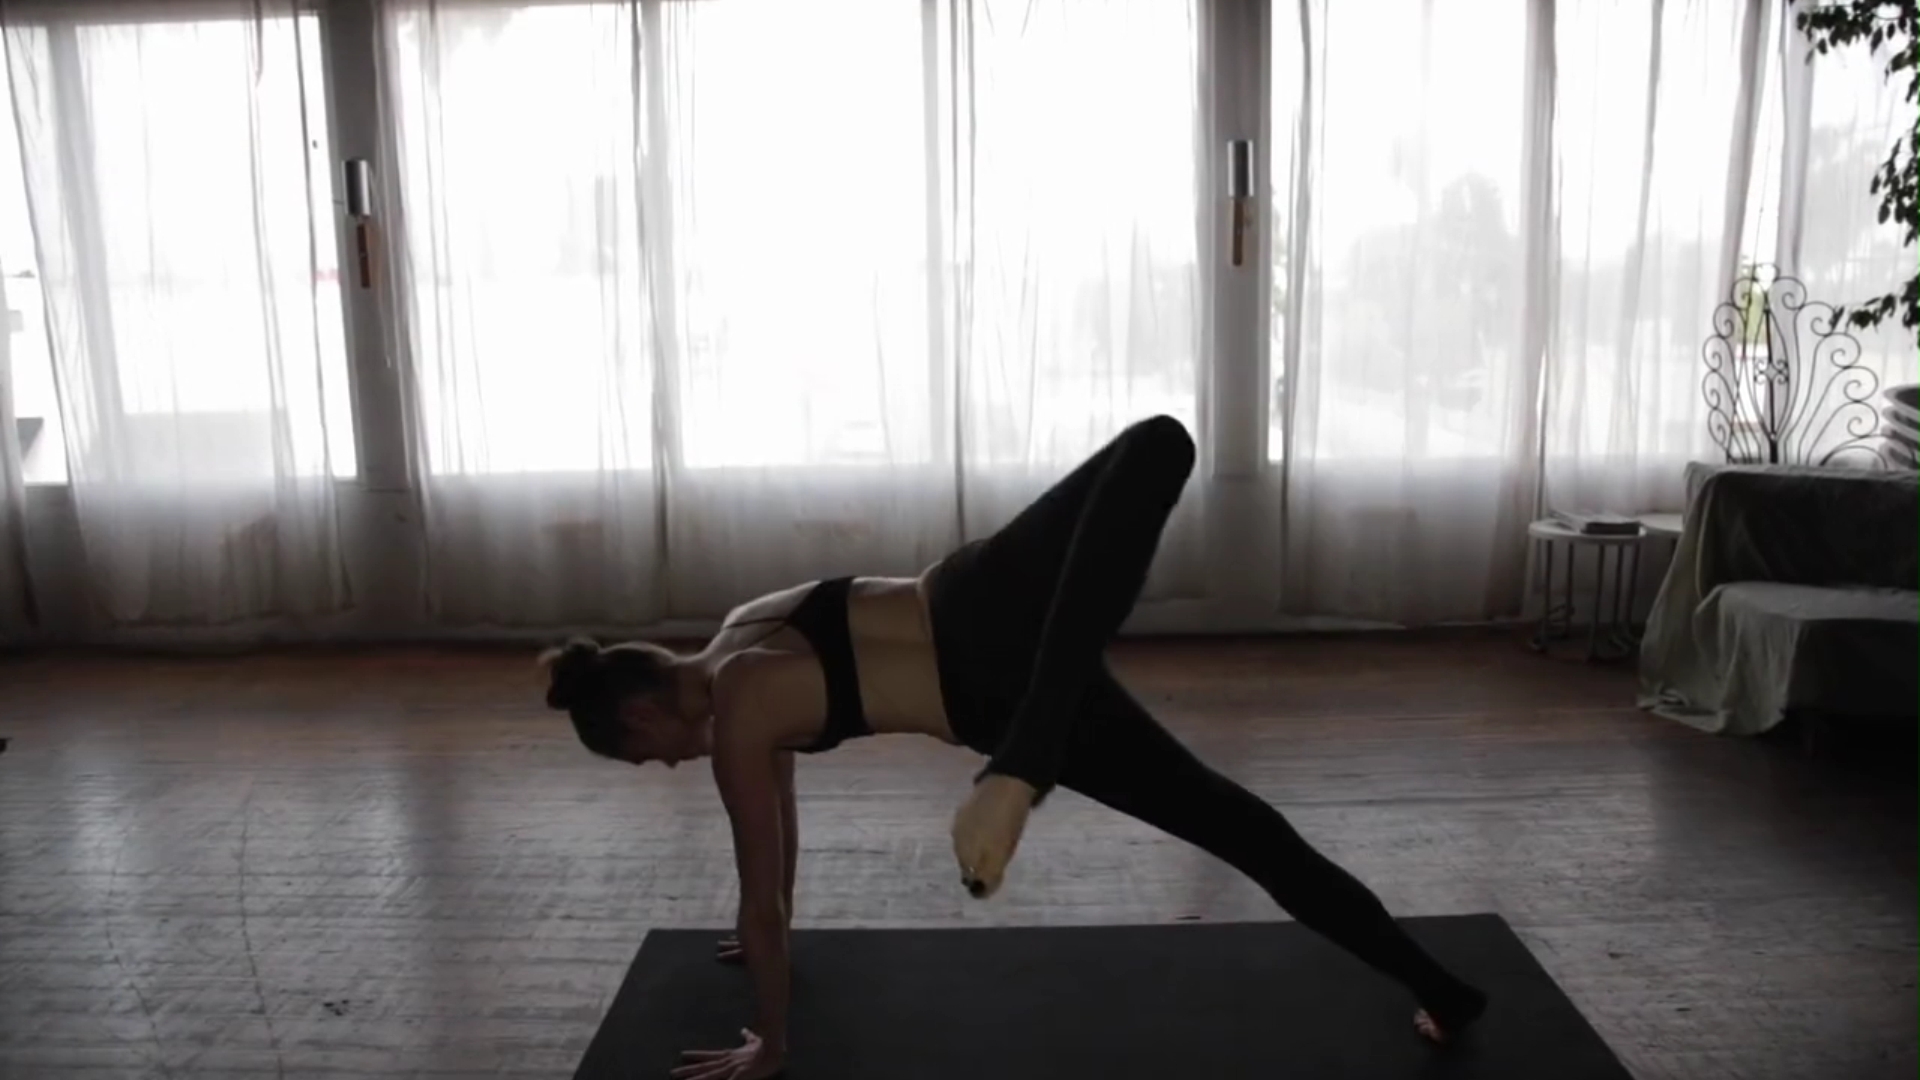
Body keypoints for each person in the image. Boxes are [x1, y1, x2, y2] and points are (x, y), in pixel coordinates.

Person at [540, 415, 1487, 1080]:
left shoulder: (739, 716)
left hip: (991, 692)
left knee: (1235, 828)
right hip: (973, 588)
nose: (668, 767)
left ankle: (1027, 759)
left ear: (641, 719)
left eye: (648, 758)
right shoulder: (746, 624)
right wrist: (767, 939)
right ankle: (1440, 990)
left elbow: (759, 889)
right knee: (1158, 443)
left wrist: (772, 1043)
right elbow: (777, 860)